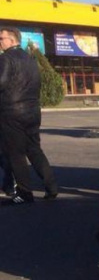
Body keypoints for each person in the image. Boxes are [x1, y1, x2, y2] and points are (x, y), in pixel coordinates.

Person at [0, 26, 58, 205]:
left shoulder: (5, 58)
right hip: (32, 111)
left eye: (1, 38)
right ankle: (51, 187)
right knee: (34, 149)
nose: (0, 42)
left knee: (16, 154)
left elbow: (1, 82)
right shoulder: (30, 59)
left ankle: (25, 193)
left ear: (12, 40)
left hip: (11, 112)